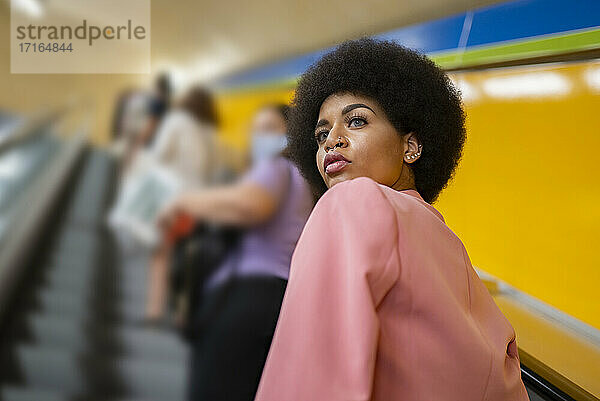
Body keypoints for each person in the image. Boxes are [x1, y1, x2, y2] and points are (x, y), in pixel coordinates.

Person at [254, 38, 530, 401]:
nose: (332, 141)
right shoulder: (445, 238)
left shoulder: (350, 203)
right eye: (321, 134)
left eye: (355, 121)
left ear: (410, 147)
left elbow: (312, 369)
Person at [158, 103, 314, 401]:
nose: (260, 138)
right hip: (281, 302)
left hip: (247, 298)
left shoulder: (276, 167)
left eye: (270, 130)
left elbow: (249, 206)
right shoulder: (306, 180)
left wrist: (181, 201)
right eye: (256, 131)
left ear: (292, 134)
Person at [145, 86, 220, 321]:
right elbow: (214, 172)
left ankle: (155, 310)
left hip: (172, 200)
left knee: (161, 255)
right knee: (188, 259)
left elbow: (158, 155)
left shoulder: (176, 121)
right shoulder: (210, 133)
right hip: (197, 203)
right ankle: (182, 312)